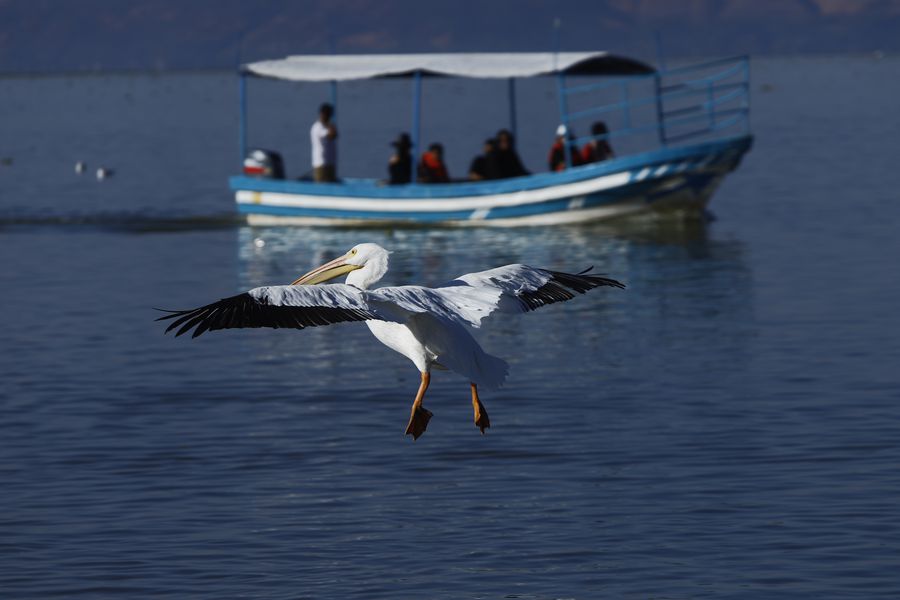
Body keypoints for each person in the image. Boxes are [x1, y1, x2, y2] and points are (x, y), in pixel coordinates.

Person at [310, 102, 337, 182]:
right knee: (322, 185)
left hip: (330, 164)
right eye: (328, 115)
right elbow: (331, 135)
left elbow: (335, 135)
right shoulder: (317, 127)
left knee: (332, 185)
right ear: (322, 114)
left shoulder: (326, 127)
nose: (329, 118)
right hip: (321, 165)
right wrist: (331, 125)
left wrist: (330, 126)